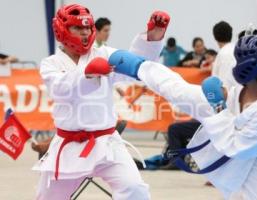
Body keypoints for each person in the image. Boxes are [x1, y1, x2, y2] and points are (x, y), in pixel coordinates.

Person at [107, 34, 257, 199]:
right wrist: (225, 94)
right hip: (229, 109)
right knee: (179, 90)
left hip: (251, 156)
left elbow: (233, 146)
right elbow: (232, 86)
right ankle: (138, 66)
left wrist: (219, 107)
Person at [33, 4, 170, 200]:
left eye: (87, 28)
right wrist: (87, 73)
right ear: (62, 30)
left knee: (134, 189)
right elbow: (59, 89)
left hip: (106, 142)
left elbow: (135, 65)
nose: (85, 32)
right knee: (47, 197)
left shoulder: (103, 54)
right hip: (68, 145)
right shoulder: (51, 63)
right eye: (78, 28)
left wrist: (153, 37)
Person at [211, 21, 238, 89]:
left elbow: (225, 86)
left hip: (230, 97)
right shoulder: (236, 49)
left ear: (215, 37)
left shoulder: (224, 54)